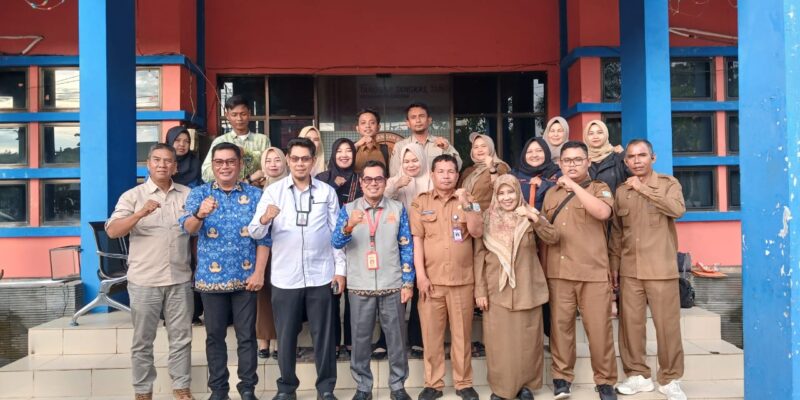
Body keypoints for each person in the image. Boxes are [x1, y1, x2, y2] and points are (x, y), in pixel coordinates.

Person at [248, 137, 345, 400]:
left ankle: (326, 388)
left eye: (305, 158)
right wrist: (265, 218)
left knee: (324, 336)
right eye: (295, 158)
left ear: (313, 161)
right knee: (286, 336)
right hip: (285, 277)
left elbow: (336, 235)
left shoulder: (326, 192)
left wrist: (340, 270)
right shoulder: (274, 192)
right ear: (288, 161)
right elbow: (255, 231)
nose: (300, 163)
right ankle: (286, 388)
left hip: (321, 275)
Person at [180, 142, 270, 400]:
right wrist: (200, 214)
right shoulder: (199, 194)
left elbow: (264, 238)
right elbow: (187, 229)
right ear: (213, 165)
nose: (225, 167)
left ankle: (247, 389)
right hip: (211, 279)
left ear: (240, 164)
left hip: (246, 279)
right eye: (219, 162)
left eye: (231, 161)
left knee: (246, 337)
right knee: (214, 337)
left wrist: (259, 273)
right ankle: (219, 390)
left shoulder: (255, 195)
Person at [106, 144, 194, 400]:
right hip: (145, 281)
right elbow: (113, 231)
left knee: (182, 338)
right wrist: (141, 213)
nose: (162, 165)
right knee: (143, 341)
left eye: (168, 161)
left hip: (179, 278)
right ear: (148, 164)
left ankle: (181, 388)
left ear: (175, 167)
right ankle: (143, 391)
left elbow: (197, 227)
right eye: (157, 160)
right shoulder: (133, 196)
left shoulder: (188, 194)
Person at [331, 160, 415, 400]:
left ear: (385, 181)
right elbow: (336, 242)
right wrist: (349, 226)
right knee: (359, 340)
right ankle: (363, 387)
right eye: (368, 179)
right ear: (361, 183)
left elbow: (406, 247)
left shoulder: (397, 209)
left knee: (396, 339)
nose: (373, 183)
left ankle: (397, 386)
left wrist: (407, 282)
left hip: (393, 285)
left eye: (378, 179)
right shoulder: (348, 209)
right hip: (360, 286)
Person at [610, 139, 687, 400]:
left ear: (653, 158)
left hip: (661, 268)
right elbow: (617, 233)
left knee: (667, 327)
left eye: (642, 155)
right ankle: (638, 375)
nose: (636, 160)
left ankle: (670, 378)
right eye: (631, 157)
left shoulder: (668, 184)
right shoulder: (622, 191)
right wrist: (614, 265)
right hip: (630, 269)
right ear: (625, 162)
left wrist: (643, 189)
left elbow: (677, 210)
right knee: (631, 327)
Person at [541, 141, 618, 400]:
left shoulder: (599, 188)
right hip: (559, 272)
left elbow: (602, 212)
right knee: (560, 329)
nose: (572, 164)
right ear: (560, 163)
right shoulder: (551, 194)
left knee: (599, 330)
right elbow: (545, 233)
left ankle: (605, 381)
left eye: (577, 160)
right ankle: (562, 378)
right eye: (567, 160)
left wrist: (573, 186)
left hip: (592, 272)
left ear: (588, 162)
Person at [473, 174, 559, 400]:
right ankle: (501, 389)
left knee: (527, 342)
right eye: (501, 193)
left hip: (527, 288)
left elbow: (553, 237)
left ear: (518, 192)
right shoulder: (486, 218)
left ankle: (526, 387)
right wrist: (480, 290)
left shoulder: (530, 214)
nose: (506, 197)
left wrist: (534, 217)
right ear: (495, 195)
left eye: (510, 191)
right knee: (499, 344)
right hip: (496, 290)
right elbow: (479, 256)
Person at [410, 154, 483, 400]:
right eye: (440, 171)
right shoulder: (420, 202)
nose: (446, 176)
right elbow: (417, 241)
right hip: (431, 282)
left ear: (457, 175)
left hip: (462, 281)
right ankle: (433, 383)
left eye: (451, 171)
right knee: (431, 337)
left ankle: (464, 383)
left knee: (462, 336)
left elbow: (477, 231)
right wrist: (420, 276)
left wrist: (466, 203)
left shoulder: (469, 200)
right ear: (432, 175)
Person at [317, 138, 362, 357]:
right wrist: (334, 186)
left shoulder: (360, 179)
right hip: (327, 242)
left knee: (353, 294)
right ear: (333, 154)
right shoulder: (322, 179)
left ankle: (352, 341)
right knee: (332, 294)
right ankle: (334, 341)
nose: (344, 155)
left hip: (355, 241)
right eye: (339, 151)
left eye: (348, 151)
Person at [384, 144, 431, 357]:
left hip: (427, 241)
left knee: (421, 289)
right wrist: (396, 186)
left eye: (415, 160)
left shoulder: (431, 179)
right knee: (397, 291)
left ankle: (417, 337)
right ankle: (389, 339)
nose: (411, 165)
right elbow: (380, 202)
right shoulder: (393, 181)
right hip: (398, 243)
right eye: (406, 161)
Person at [164, 126, 204, 325]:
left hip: (192, 222)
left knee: (193, 265)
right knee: (171, 265)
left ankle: (194, 313)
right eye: (177, 140)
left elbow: (200, 190)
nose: (181, 144)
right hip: (168, 224)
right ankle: (168, 315)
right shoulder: (162, 165)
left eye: (186, 141)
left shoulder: (195, 164)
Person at [255, 147, 289, 359]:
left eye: (277, 159)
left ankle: (278, 338)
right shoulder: (256, 189)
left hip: (286, 249)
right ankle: (263, 339)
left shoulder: (292, 185)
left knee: (282, 296)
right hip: (262, 248)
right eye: (268, 160)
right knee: (264, 295)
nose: (273, 164)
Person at [201, 95, 270, 184]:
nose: (239, 119)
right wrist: (243, 180)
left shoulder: (263, 140)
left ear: (249, 114)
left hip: (258, 190)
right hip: (228, 190)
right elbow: (206, 174)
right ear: (227, 115)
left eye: (243, 114)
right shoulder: (220, 141)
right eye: (234, 115)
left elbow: (270, 170)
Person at [389, 102, 462, 177]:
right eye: (413, 117)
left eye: (422, 116)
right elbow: (394, 175)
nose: (418, 120)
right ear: (408, 123)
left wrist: (448, 149)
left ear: (429, 120)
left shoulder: (442, 143)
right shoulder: (400, 146)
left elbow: (458, 167)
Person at [458, 133, 510, 211]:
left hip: (488, 215)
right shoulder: (468, 171)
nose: (479, 150)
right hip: (466, 214)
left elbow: (500, 189)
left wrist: (492, 168)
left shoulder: (500, 167)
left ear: (491, 148)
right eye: (476, 147)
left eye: (484, 146)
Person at [512, 137, 561, 210]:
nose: (534, 155)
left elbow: (563, 196)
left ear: (546, 152)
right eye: (529, 152)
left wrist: (543, 184)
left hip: (549, 217)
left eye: (539, 151)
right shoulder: (515, 175)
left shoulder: (557, 174)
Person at [584, 120, 629, 194]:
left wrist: (624, 156)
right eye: (591, 133)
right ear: (586, 136)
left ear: (606, 134)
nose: (595, 137)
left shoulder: (618, 156)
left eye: (600, 132)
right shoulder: (582, 159)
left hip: (616, 201)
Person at [353, 108, 391, 173]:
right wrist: (356, 145)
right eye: (363, 123)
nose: (367, 126)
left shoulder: (386, 150)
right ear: (357, 128)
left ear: (378, 127)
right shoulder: (351, 148)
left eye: (372, 123)